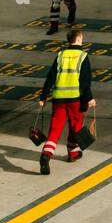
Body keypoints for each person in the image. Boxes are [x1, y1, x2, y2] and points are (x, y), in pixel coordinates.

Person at [37, 26, 95, 174]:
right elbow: (85, 81)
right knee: (75, 126)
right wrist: (89, 98)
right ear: (79, 40)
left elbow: (50, 77)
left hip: (58, 99)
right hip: (75, 98)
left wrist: (43, 96)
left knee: (55, 129)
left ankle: (46, 155)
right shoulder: (83, 56)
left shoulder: (60, 55)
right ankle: (73, 152)